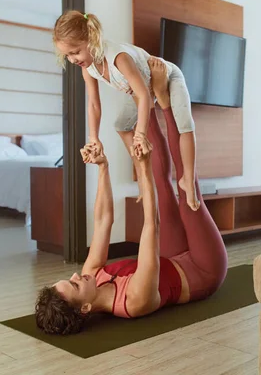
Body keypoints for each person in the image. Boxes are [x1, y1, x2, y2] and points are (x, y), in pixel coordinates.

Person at [34, 80, 228, 335]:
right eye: (76, 286)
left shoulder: (91, 275)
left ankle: (148, 97)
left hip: (171, 257)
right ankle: (167, 105)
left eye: (70, 280)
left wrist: (103, 167)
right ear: (85, 309)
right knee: (186, 188)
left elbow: (103, 220)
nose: (75, 275)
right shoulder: (134, 301)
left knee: (161, 183)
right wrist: (142, 167)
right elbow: (151, 225)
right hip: (203, 270)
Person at [52, 9, 200, 211]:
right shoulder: (87, 68)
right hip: (144, 88)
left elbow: (144, 96)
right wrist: (94, 137)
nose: (72, 59)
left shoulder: (118, 58)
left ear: (91, 39)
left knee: (185, 125)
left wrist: (140, 133)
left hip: (166, 74)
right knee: (121, 125)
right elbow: (94, 103)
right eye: (67, 55)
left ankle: (188, 181)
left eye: (75, 52)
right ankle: (142, 176)